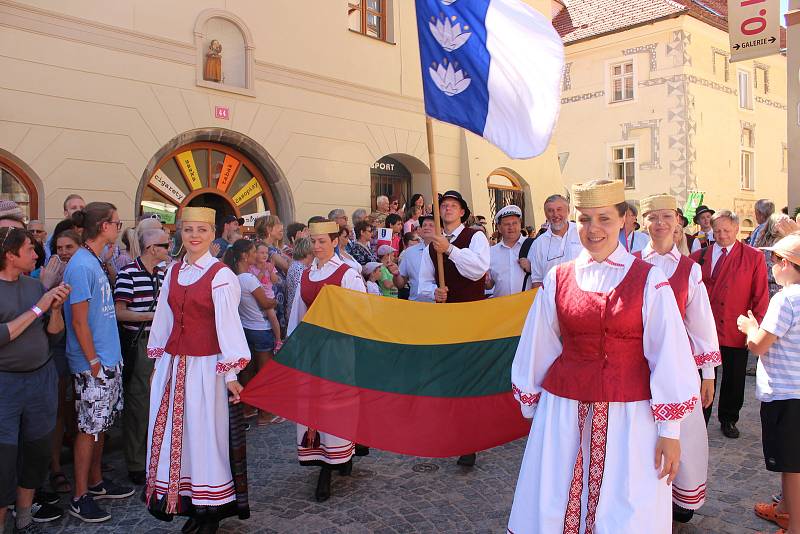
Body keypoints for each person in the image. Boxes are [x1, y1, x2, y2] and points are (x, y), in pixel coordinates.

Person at [508, 180, 699, 534]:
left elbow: (668, 353)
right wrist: (533, 405)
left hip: (631, 416)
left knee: (625, 503)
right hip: (564, 412)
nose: (594, 229)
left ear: (625, 220)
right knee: (557, 497)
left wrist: (669, 431)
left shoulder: (648, 279)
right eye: (585, 219)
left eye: (605, 219)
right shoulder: (558, 278)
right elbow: (539, 343)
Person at [144, 207, 251, 533]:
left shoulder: (221, 276)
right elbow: (163, 320)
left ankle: (211, 510)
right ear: (180, 233)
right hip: (174, 366)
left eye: (201, 230)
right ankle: (189, 502)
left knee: (206, 436)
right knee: (181, 438)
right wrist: (158, 361)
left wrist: (231, 375)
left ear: (212, 233)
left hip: (207, 369)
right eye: (188, 229)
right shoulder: (174, 272)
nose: (194, 236)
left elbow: (229, 327)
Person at [637, 194, 721, 523]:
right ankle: (645, 496)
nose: (659, 223)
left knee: (682, 431)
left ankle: (679, 497)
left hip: (679, 364)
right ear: (643, 222)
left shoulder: (688, 270)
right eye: (652, 217)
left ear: (677, 221)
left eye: (665, 217)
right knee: (641, 431)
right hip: (637, 362)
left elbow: (701, 322)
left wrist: (708, 372)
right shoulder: (631, 262)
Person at [63, 202, 135, 523]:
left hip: (108, 359)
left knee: (101, 426)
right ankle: (79, 496)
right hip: (93, 363)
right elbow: (78, 322)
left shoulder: (94, 260)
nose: (118, 229)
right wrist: (93, 361)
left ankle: (96, 481)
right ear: (103, 226)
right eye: (116, 223)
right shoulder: (80, 265)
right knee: (89, 428)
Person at [286, 220, 367, 502]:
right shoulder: (307, 275)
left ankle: (338, 457)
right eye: (314, 241)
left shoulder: (348, 274)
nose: (318, 246)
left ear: (335, 241)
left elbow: (361, 314)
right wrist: (292, 346)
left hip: (338, 347)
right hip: (311, 349)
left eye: (323, 241)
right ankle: (322, 456)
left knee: (336, 402)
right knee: (312, 402)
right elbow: (297, 314)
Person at [0, 227, 70, 533]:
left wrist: (54, 311)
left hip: (41, 379)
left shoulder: (33, 286)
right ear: (10, 255)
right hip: (6, 386)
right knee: (3, 462)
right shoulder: (32, 295)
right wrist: (38, 307)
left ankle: (25, 518)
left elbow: (54, 335)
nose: (36, 254)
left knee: (37, 451)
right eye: (29, 249)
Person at [418, 190, 489, 467]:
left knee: (469, 376)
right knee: (449, 376)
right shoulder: (430, 247)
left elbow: (478, 269)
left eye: (452, 205)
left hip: (471, 317)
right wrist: (433, 293)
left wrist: (449, 250)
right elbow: (423, 283)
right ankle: (453, 432)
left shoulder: (475, 237)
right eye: (443, 206)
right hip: (445, 320)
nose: (447, 209)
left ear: (462, 212)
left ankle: (470, 439)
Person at [737, 233, 800, 534]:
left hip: (786, 392)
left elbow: (759, 345)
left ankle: (794, 524)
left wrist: (750, 327)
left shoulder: (785, 298)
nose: (770, 265)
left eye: (773, 260)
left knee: (792, 465)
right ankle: (785, 509)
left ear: (785, 263)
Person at [690, 210, 769, 438]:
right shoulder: (699, 257)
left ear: (736, 230)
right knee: (704, 375)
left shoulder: (753, 257)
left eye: (726, 230)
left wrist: (754, 328)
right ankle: (700, 418)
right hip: (705, 330)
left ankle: (728, 418)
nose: (722, 235)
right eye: (717, 231)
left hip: (736, 328)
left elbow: (760, 296)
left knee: (734, 378)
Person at [113, 228, 169, 486]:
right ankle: (136, 463)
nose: (168, 249)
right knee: (138, 404)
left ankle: (153, 457)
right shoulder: (129, 274)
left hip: (161, 346)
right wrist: (151, 317)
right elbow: (119, 312)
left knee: (158, 404)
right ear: (151, 249)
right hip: (141, 344)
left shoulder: (163, 274)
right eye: (165, 245)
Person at [224, 239, 278, 427]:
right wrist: (274, 302)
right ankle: (265, 414)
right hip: (260, 328)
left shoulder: (232, 277)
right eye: (254, 251)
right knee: (265, 373)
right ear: (245, 256)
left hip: (245, 328)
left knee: (248, 372)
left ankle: (247, 408)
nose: (257, 255)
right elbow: (265, 303)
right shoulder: (248, 278)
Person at [48, 230, 82, 496]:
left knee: (77, 407)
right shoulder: (47, 276)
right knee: (59, 409)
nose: (64, 252)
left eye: (69, 246)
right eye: (59, 247)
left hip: (80, 345)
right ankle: (56, 467)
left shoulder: (84, 268)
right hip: (58, 346)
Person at [524, 194, 583, 289]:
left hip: (582, 297)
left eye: (559, 209)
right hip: (552, 301)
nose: (555, 214)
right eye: (550, 211)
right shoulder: (539, 244)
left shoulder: (582, 233)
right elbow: (537, 281)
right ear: (546, 215)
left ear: (568, 211)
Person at [255, 215, 290, 335]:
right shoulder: (267, 249)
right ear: (269, 230)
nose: (282, 227)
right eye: (278, 225)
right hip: (272, 294)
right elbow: (286, 266)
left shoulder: (273, 248)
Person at [388, 215, 435, 303]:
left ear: (441, 229)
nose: (426, 227)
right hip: (415, 304)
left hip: (441, 305)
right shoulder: (409, 252)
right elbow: (400, 284)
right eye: (424, 225)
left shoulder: (446, 251)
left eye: (431, 225)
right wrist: (396, 275)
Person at [487, 205, 528, 298]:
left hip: (528, 307)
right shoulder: (491, 252)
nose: (511, 227)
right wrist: (485, 281)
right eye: (506, 224)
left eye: (515, 223)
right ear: (499, 228)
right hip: (502, 308)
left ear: (520, 224)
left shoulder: (532, 246)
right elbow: (489, 285)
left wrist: (531, 268)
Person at [285, 237, 313, 323]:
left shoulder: (296, 266)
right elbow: (303, 292)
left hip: (294, 312)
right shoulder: (299, 269)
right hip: (297, 314)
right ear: (308, 252)